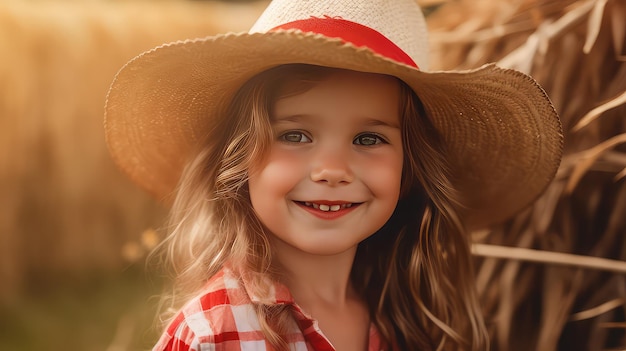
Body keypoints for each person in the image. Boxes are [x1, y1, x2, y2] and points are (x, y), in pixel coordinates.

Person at [104, 0, 563, 350]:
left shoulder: (404, 315)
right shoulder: (217, 332)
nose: (332, 171)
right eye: (296, 135)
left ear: (410, 170)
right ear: (239, 158)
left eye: (368, 140)